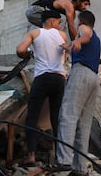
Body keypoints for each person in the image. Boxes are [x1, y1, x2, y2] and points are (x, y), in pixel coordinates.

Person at [16, 10, 68, 166]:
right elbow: (64, 56)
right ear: (52, 22)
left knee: (32, 116)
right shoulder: (63, 36)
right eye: (59, 22)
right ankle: (60, 156)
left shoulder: (34, 33)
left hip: (42, 78)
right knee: (56, 117)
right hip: (59, 78)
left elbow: (20, 50)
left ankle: (31, 155)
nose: (60, 26)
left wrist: (27, 54)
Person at [56, 10, 101, 176]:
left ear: (82, 21)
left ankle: (64, 160)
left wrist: (78, 41)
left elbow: (85, 35)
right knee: (84, 123)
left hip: (81, 73)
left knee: (68, 114)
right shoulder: (97, 38)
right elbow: (86, 38)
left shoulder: (84, 29)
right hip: (93, 78)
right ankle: (80, 168)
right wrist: (70, 46)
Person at [26, 0, 91, 40]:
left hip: (37, 14)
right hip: (34, 11)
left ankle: (49, 42)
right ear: (79, 1)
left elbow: (71, 30)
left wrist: (76, 43)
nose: (85, 7)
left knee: (61, 27)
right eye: (85, 4)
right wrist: (77, 42)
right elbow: (71, 27)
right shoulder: (69, 5)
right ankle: (55, 41)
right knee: (61, 19)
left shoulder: (72, 14)